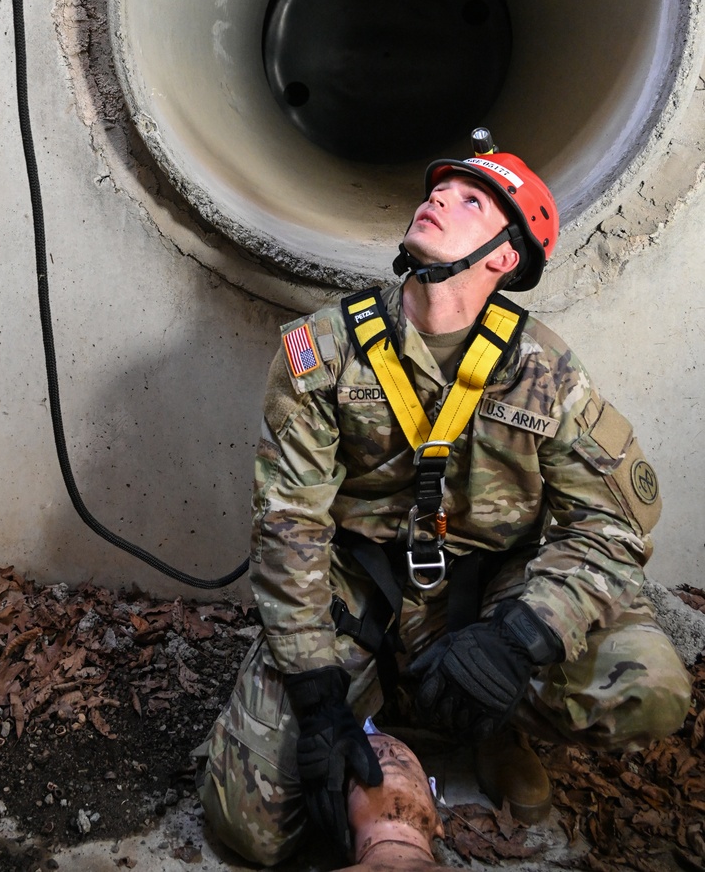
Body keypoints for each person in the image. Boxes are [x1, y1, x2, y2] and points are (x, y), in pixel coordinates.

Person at [198, 132, 691, 866]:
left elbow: (612, 528)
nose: (437, 198)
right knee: (248, 827)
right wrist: (317, 696)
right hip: (363, 595)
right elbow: (290, 527)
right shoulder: (324, 350)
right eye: (438, 188)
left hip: (490, 590)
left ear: (504, 257)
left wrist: (520, 638)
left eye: (472, 200)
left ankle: (493, 724)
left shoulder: (542, 370)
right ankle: (377, 712)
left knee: (650, 688)